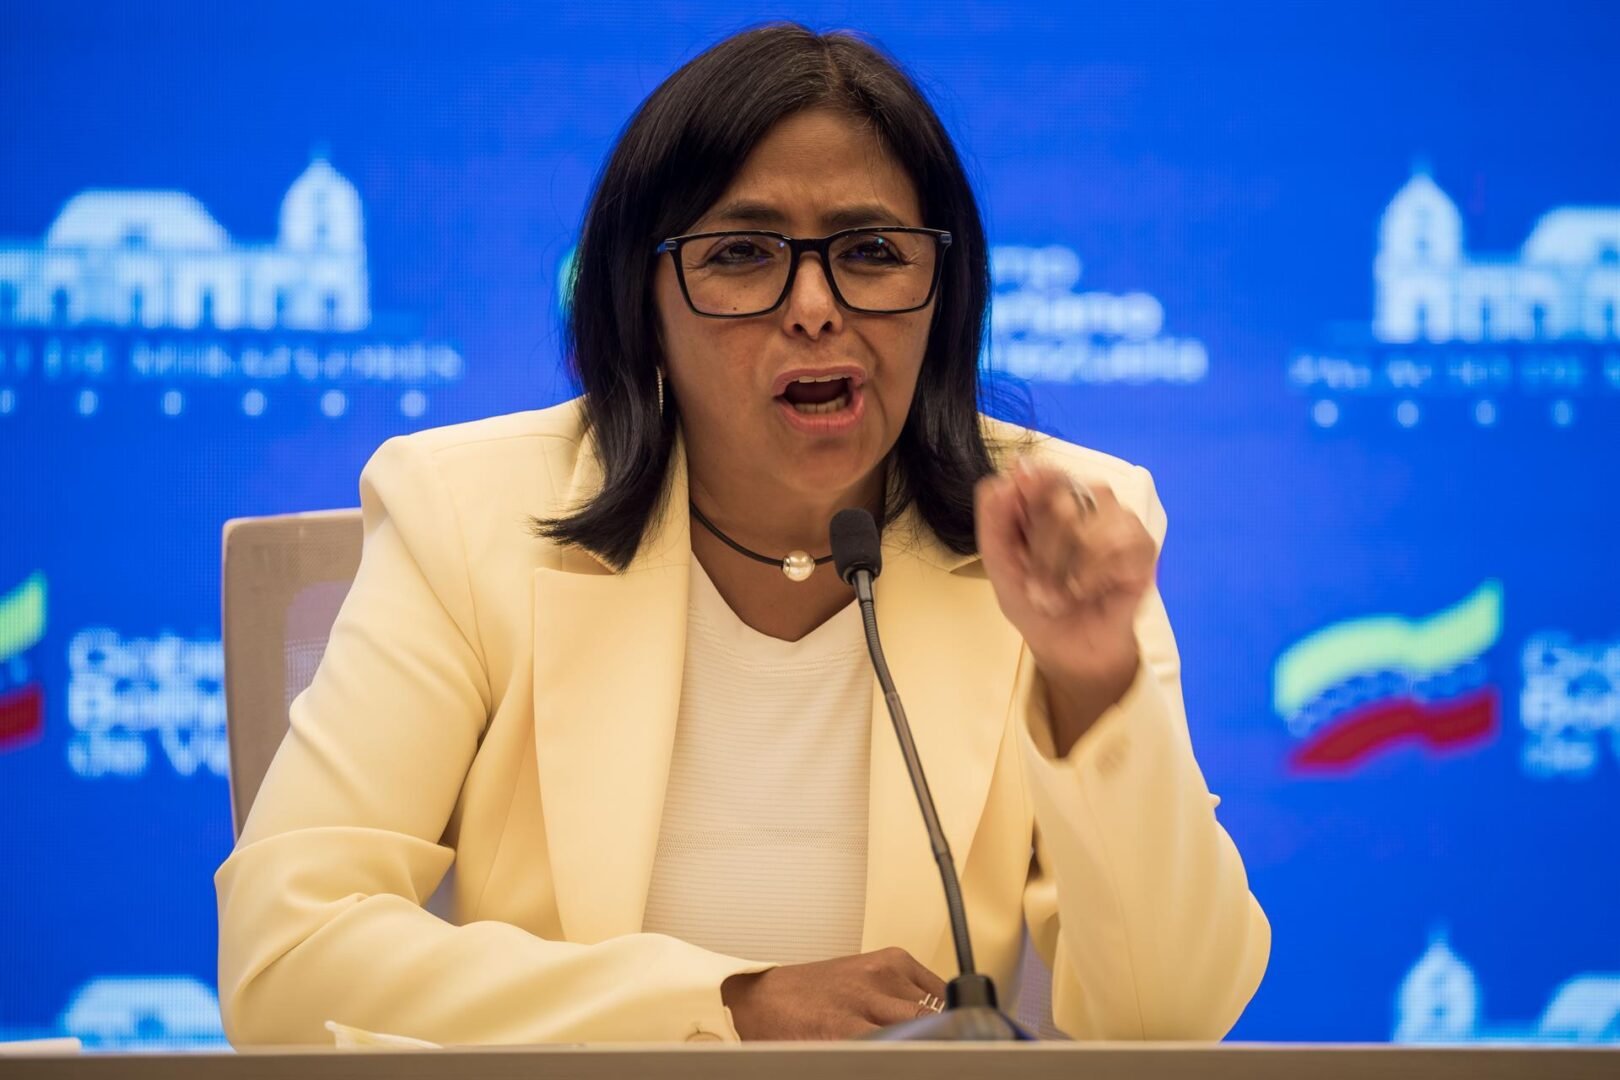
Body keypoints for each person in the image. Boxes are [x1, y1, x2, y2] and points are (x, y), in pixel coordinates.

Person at [215, 22, 1269, 1045]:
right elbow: (285, 955)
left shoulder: (1056, 531)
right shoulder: (470, 515)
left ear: (943, 295)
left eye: (871, 252)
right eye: (742, 253)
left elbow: (1171, 1017)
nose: (814, 306)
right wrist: (728, 1005)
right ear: (642, 299)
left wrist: (1094, 689)